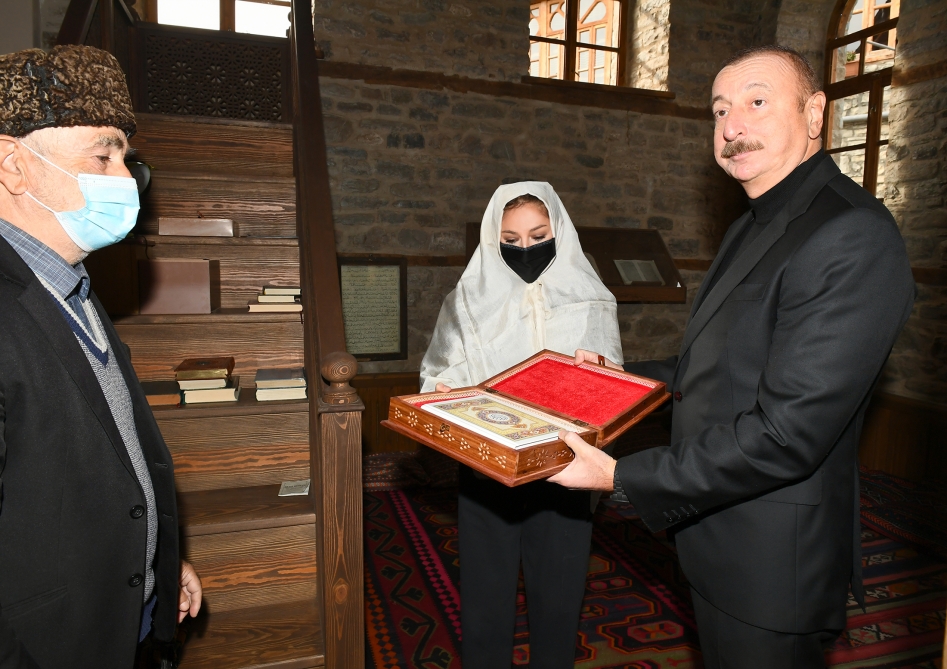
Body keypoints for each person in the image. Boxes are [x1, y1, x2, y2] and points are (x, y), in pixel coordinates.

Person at [549, 45, 916, 668]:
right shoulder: (753, 223)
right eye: (719, 111)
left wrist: (621, 477)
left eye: (757, 102)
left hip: (774, 563)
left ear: (815, 114)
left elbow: (786, 434)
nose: (732, 126)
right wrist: (614, 378)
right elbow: (718, 369)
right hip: (719, 538)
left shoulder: (851, 232)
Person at [0, 45, 201, 668]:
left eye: (126, 159)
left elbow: (97, 455)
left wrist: (156, 561)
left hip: (119, 618)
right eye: (102, 155)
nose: (126, 179)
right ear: (13, 165)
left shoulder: (69, 283)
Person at [420, 182, 622, 668]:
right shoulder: (466, 300)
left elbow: (610, 383)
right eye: (510, 240)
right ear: (493, 240)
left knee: (559, 595)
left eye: (538, 236)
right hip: (487, 467)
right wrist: (442, 393)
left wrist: (602, 376)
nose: (525, 248)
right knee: (485, 595)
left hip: (566, 468)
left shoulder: (592, 298)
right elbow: (437, 374)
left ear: (559, 233)